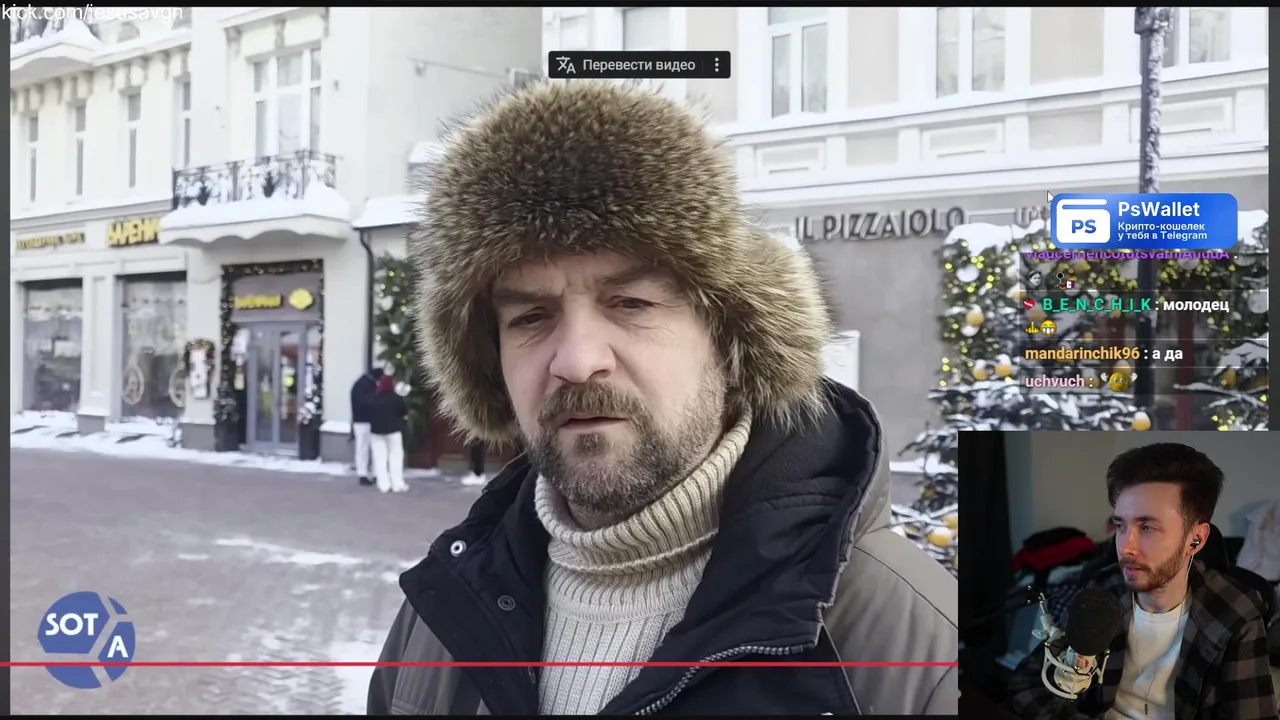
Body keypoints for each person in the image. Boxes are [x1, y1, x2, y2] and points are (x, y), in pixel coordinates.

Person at [367, 81, 957, 716]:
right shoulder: (441, 619)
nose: (576, 361)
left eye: (632, 303)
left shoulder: (920, 651)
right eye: (531, 317)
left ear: (727, 338)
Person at [1008, 442, 1276, 720]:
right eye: (1121, 526)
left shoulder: (1236, 615)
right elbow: (1026, 685)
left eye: (1147, 527)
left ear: (1195, 539)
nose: (1125, 547)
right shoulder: (1104, 590)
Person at [367, 374, 409, 494]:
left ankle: (383, 485)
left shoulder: (374, 398)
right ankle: (397, 484)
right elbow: (404, 411)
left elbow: (368, 411)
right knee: (396, 457)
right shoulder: (396, 398)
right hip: (393, 431)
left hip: (376, 431)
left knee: (380, 458)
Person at [349, 367, 384, 486]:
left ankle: (364, 473)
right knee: (367, 448)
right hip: (366, 420)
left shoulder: (360, 384)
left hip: (360, 420)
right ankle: (368, 474)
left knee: (362, 448)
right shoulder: (366, 386)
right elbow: (368, 403)